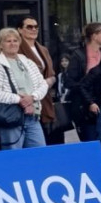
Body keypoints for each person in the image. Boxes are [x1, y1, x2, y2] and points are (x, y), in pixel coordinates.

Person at [0, 27, 50, 149]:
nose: (12, 43)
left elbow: (43, 84)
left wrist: (32, 97)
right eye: (8, 41)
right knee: (14, 158)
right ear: (0, 45)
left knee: (40, 154)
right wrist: (19, 100)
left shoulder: (28, 62)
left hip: (33, 117)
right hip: (11, 118)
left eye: (15, 40)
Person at [16, 15, 63, 145]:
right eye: (29, 27)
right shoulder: (17, 48)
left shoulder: (42, 49)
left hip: (46, 97)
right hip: (27, 99)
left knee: (50, 139)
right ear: (20, 30)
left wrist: (49, 81)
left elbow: (52, 74)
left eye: (36, 27)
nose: (33, 29)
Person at [64, 23, 101, 143]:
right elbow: (69, 81)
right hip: (85, 106)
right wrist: (86, 91)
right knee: (91, 140)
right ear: (94, 36)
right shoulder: (78, 55)